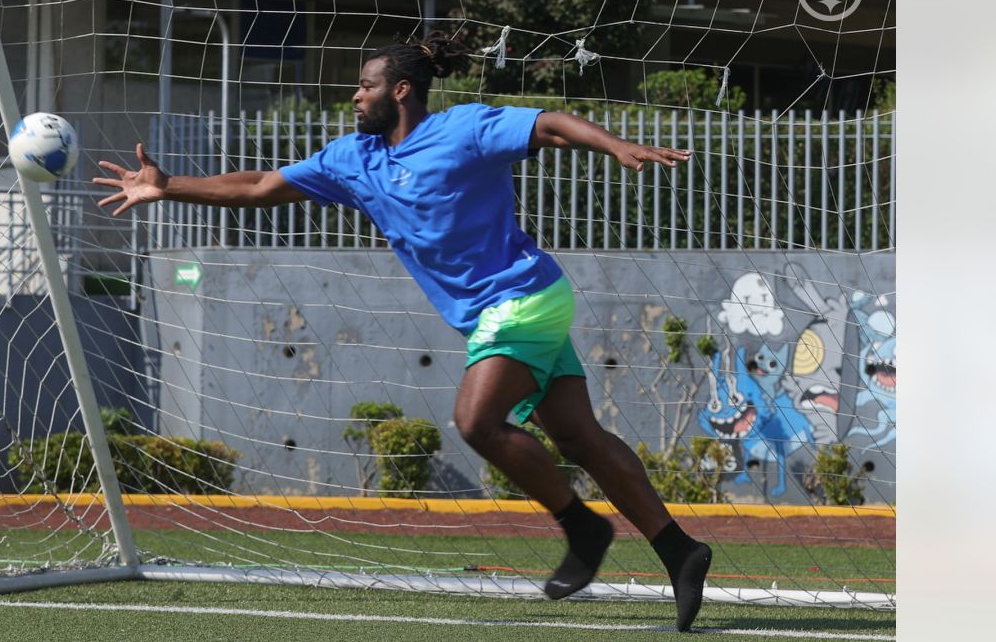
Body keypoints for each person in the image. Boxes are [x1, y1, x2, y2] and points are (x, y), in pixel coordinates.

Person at [94, 31, 713, 632]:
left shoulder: (462, 130)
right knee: (579, 438)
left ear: (403, 90)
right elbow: (261, 186)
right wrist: (168, 185)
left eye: (366, 86)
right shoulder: (354, 159)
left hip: (524, 296)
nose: (355, 97)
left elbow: (549, 123)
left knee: (476, 422)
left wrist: (616, 146)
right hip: (492, 315)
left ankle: (583, 526)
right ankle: (680, 550)